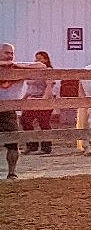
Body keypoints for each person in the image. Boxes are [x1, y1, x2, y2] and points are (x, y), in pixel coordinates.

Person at [20, 50, 56, 153]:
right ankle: (32, 146)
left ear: (46, 60)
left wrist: (44, 100)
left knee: (43, 123)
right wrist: (23, 99)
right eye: (36, 58)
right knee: (25, 121)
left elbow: (49, 85)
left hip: (43, 99)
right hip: (32, 99)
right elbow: (30, 88)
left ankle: (46, 148)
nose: (37, 60)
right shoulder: (33, 72)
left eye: (40, 58)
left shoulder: (48, 70)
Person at [0, 43, 23, 178]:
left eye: (11, 53)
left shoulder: (17, 69)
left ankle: (12, 172)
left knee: (13, 143)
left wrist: (18, 65)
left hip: (8, 111)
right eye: (6, 53)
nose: (10, 56)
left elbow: (41, 66)